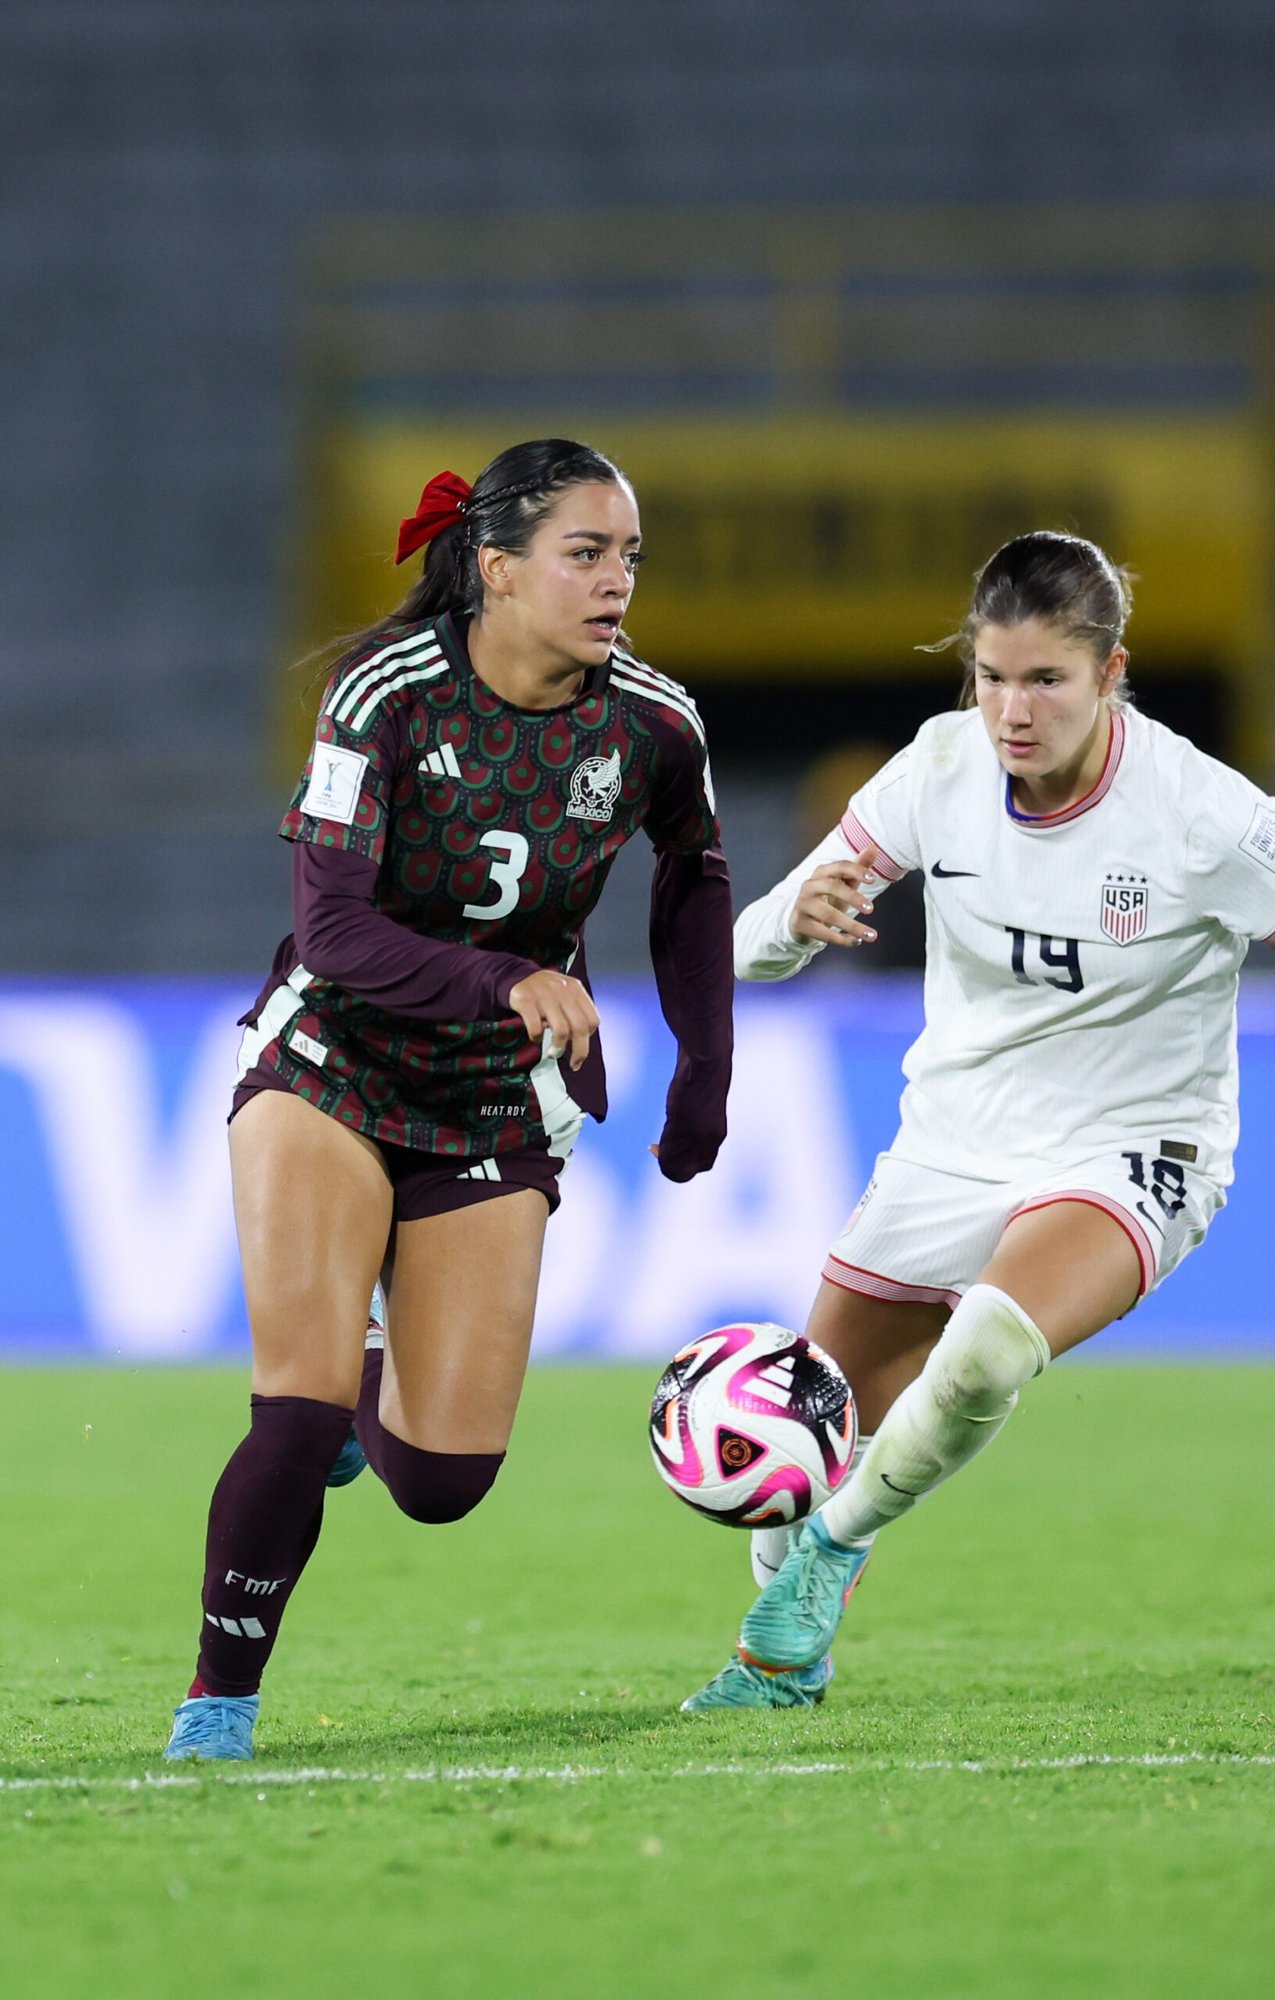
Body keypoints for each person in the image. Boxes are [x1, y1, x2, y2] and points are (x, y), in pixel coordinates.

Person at [681, 530, 1275, 1713]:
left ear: (1110, 672)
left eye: (1045, 680)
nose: (1011, 711)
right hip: (954, 1138)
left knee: (985, 1342)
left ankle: (832, 1552)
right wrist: (790, 923)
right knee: (810, 1422)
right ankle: (783, 1660)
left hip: (1139, 1147)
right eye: (990, 676)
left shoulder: (1204, 817)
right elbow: (738, 955)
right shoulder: (934, 771)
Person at [165, 439, 732, 1760]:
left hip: (490, 1104)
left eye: (629, 558)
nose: (616, 584)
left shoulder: (652, 721)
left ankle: (375, 1392)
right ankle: (218, 1700)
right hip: (333, 1066)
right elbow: (334, 930)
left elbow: (693, 873)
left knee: (441, 1483)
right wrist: (500, 978)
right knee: (295, 1413)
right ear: (495, 568)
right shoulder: (387, 695)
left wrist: (705, 1068)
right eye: (586, 554)